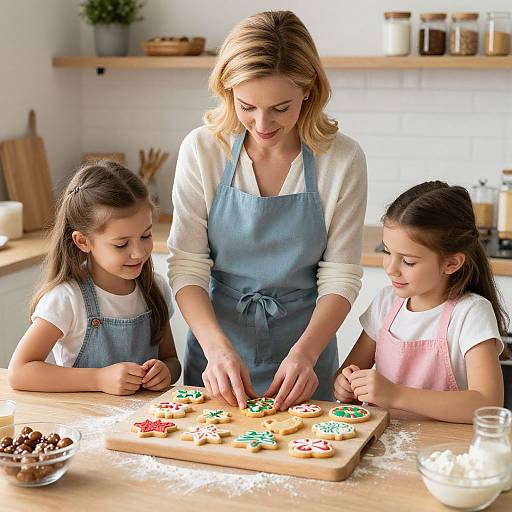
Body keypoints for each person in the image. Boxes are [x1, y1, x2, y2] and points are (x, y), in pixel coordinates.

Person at [168, 10, 367, 411]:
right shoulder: (204, 149)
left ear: (309, 88)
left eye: (280, 107)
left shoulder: (341, 159)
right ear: (227, 91)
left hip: (305, 358)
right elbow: (187, 266)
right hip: (216, 358)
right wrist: (216, 349)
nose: (261, 124)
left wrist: (306, 354)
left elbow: (340, 276)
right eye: (247, 106)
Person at [334, 181, 507, 423]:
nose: (391, 268)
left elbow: (487, 403)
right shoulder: (385, 303)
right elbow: (347, 372)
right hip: (381, 443)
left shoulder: (470, 313)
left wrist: (396, 395)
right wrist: (345, 385)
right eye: (386, 252)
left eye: (408, 261)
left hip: (443, 453)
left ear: (451, 263)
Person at [8, 161, 181, 395]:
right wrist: (98, 379)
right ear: (83, 241)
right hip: (84, 425)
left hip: (143, 425)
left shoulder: (154, 288)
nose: (139, 252)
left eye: (146, 235)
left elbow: (171, 359)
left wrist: (166, 372)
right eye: (121, 244)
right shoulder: (66, 299)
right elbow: (19, 372)